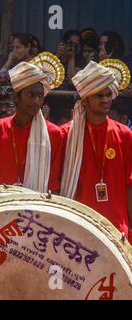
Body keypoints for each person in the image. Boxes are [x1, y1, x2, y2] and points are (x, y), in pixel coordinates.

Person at [61, 59, 132, 238]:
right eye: (99, 95)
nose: (106, 99)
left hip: (117, 228)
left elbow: (129, 185)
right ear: (85, 100)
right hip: (79, 227)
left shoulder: (124, 133)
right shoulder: (67, 134)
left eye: (108, 95)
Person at [0, 52, 65, 193]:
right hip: (1, 203)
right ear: (16, 97)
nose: (36, 101)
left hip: (37, 207)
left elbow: (53, 183)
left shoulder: (54, 133)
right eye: (31, 95)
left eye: (40, 96)